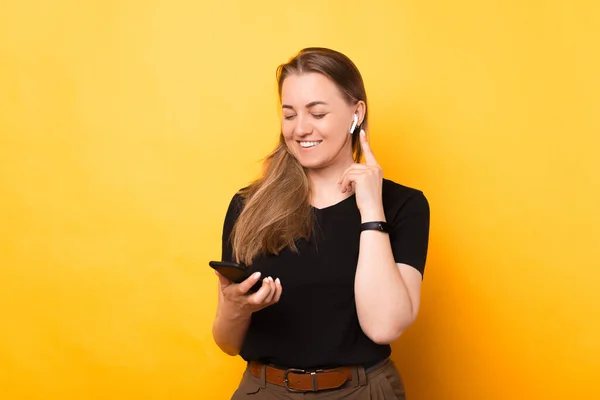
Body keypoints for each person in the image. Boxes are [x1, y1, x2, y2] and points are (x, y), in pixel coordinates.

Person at [211, 47, 430, 399]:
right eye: (289, 114)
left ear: (356, 113)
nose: (300, 129)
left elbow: (384, 326)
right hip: (265, 390)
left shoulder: (403, 205)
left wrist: (372, 209)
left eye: (317, 112)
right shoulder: (248, 206)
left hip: (362, 391)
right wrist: (235, 308)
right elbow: (227, 342)